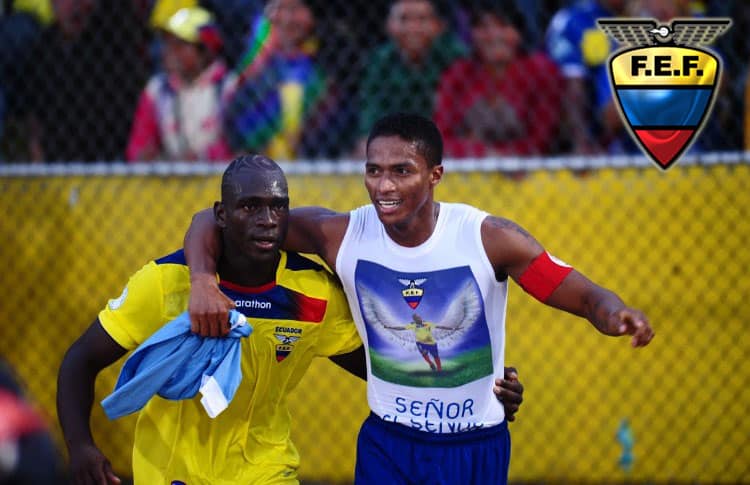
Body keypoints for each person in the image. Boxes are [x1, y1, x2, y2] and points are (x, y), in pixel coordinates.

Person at [185, 112, 655, 484]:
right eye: (374, 171)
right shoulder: (342, 234)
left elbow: (581, 292)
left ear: (435, 175)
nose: (384, 187)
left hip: (475, 447)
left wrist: (615, 314)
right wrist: (203, 280)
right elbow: (217, 221)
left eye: (401, 171)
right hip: (388, 443)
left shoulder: (488, 238)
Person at [57, 154, 524, 485]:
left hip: (267, 469)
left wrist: (479, 387)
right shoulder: (166, 285)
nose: (267, 219)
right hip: (172, 472)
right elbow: (80, 360)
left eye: (278, 206)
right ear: (223, 215)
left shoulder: (313, 294)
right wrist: (80, 446)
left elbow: (387, 365)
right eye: (250, 207)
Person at [434, 0, 563, 158]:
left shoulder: (540, 72)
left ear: (519, 33)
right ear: (472, 34)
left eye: (503, 25)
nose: (494, 35)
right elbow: (441, 137)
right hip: (469, 168)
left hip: (528, 170)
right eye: (483, 27)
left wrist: (500, 155)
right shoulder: (459, 74)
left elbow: (541, 140)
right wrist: (486, 153)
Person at [352, 0, 468, 156]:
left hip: (445, 143)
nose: (413, 28)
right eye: (404, 19)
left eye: (421, 19)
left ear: (438, 25)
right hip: (393, 144)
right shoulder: (380, 61)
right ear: (389, 25)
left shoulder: (455, 56)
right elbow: (370, 118)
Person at [126, 6, 236, 162]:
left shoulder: (228, 88)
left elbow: (239, 147)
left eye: (180, 45)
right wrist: (148, 157)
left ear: (205, 51)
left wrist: (202, 157)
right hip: (171, 182)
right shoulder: (157, 90)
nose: (169, 51)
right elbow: (138, 146)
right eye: (167, 43)